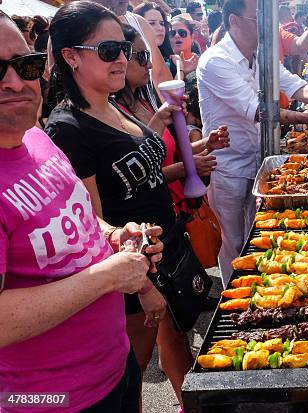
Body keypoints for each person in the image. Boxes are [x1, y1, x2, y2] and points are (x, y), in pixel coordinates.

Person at [0, 10, 164, 412]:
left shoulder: (36, 139)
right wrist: (105, 277)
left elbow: (84, 216)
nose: (14, 82)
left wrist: (113, 236)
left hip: (113, 367)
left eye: (26, 65)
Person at [44, 1, 182, 407]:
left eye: (124, 48)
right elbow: (94, 220)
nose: (122, 58)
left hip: (166, 254)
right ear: (70, 57)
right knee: (129, 382)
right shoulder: (67, 129)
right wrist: (142, 285)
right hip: (130, 276)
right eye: (108, 51)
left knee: (177, 355)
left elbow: (141, 168)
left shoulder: (115, 103)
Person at [112, 24, 227, 405]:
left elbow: (168, 152)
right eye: (139, 56)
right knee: (146, 350)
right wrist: (180, 167)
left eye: (148, 55)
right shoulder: (117, 114)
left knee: (176, 330)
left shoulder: (143, 102)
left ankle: (187, 400)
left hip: (172, 223)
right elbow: (137, 178)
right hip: (145, 236)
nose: (147, 63)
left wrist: (200, 145)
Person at [197, 0, 308, 285]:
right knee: (234, 241)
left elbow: (294, 84)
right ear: (233, 21)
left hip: (258, 161)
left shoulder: (260, 56)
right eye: (257, 20)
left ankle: (258, 288)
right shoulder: (216, 61)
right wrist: (307, 117)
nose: (267, 30)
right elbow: (257, 111)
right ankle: (233, 293)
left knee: (257, 235)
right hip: (227, 167)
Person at [93, 0, 172, 95]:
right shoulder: (81, 28)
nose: (149, 65)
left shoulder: (139, 22)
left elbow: (160, 74)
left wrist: (173, 104)